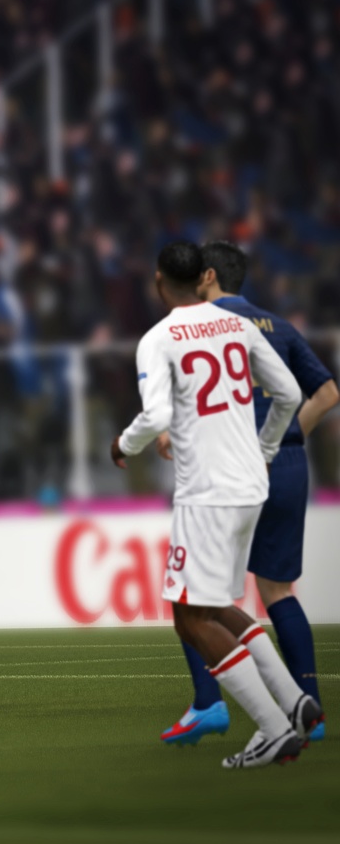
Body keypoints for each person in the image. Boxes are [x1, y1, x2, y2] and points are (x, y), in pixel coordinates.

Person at [109, 242, 315, 770]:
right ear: (203, 277)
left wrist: (123, 445)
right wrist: (266, 449)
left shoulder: (158, 339)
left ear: (159, 281)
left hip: (208, 492)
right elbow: (289, 394)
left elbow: (156, 417)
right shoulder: (237, 326)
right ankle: (294, 701)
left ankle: (273, 729)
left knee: (188, 618)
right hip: (250, 485)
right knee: (215, 605)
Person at [158, 241, 337, 746]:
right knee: (277, 591)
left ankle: (208, 703)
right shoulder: (279, 326)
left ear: (207, 276)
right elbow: (327, 393)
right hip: (285, 466)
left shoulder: (199, 327)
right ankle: (309, 710)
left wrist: (170, 434)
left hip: (225, 471)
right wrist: (280, 441)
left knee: (195, 595)